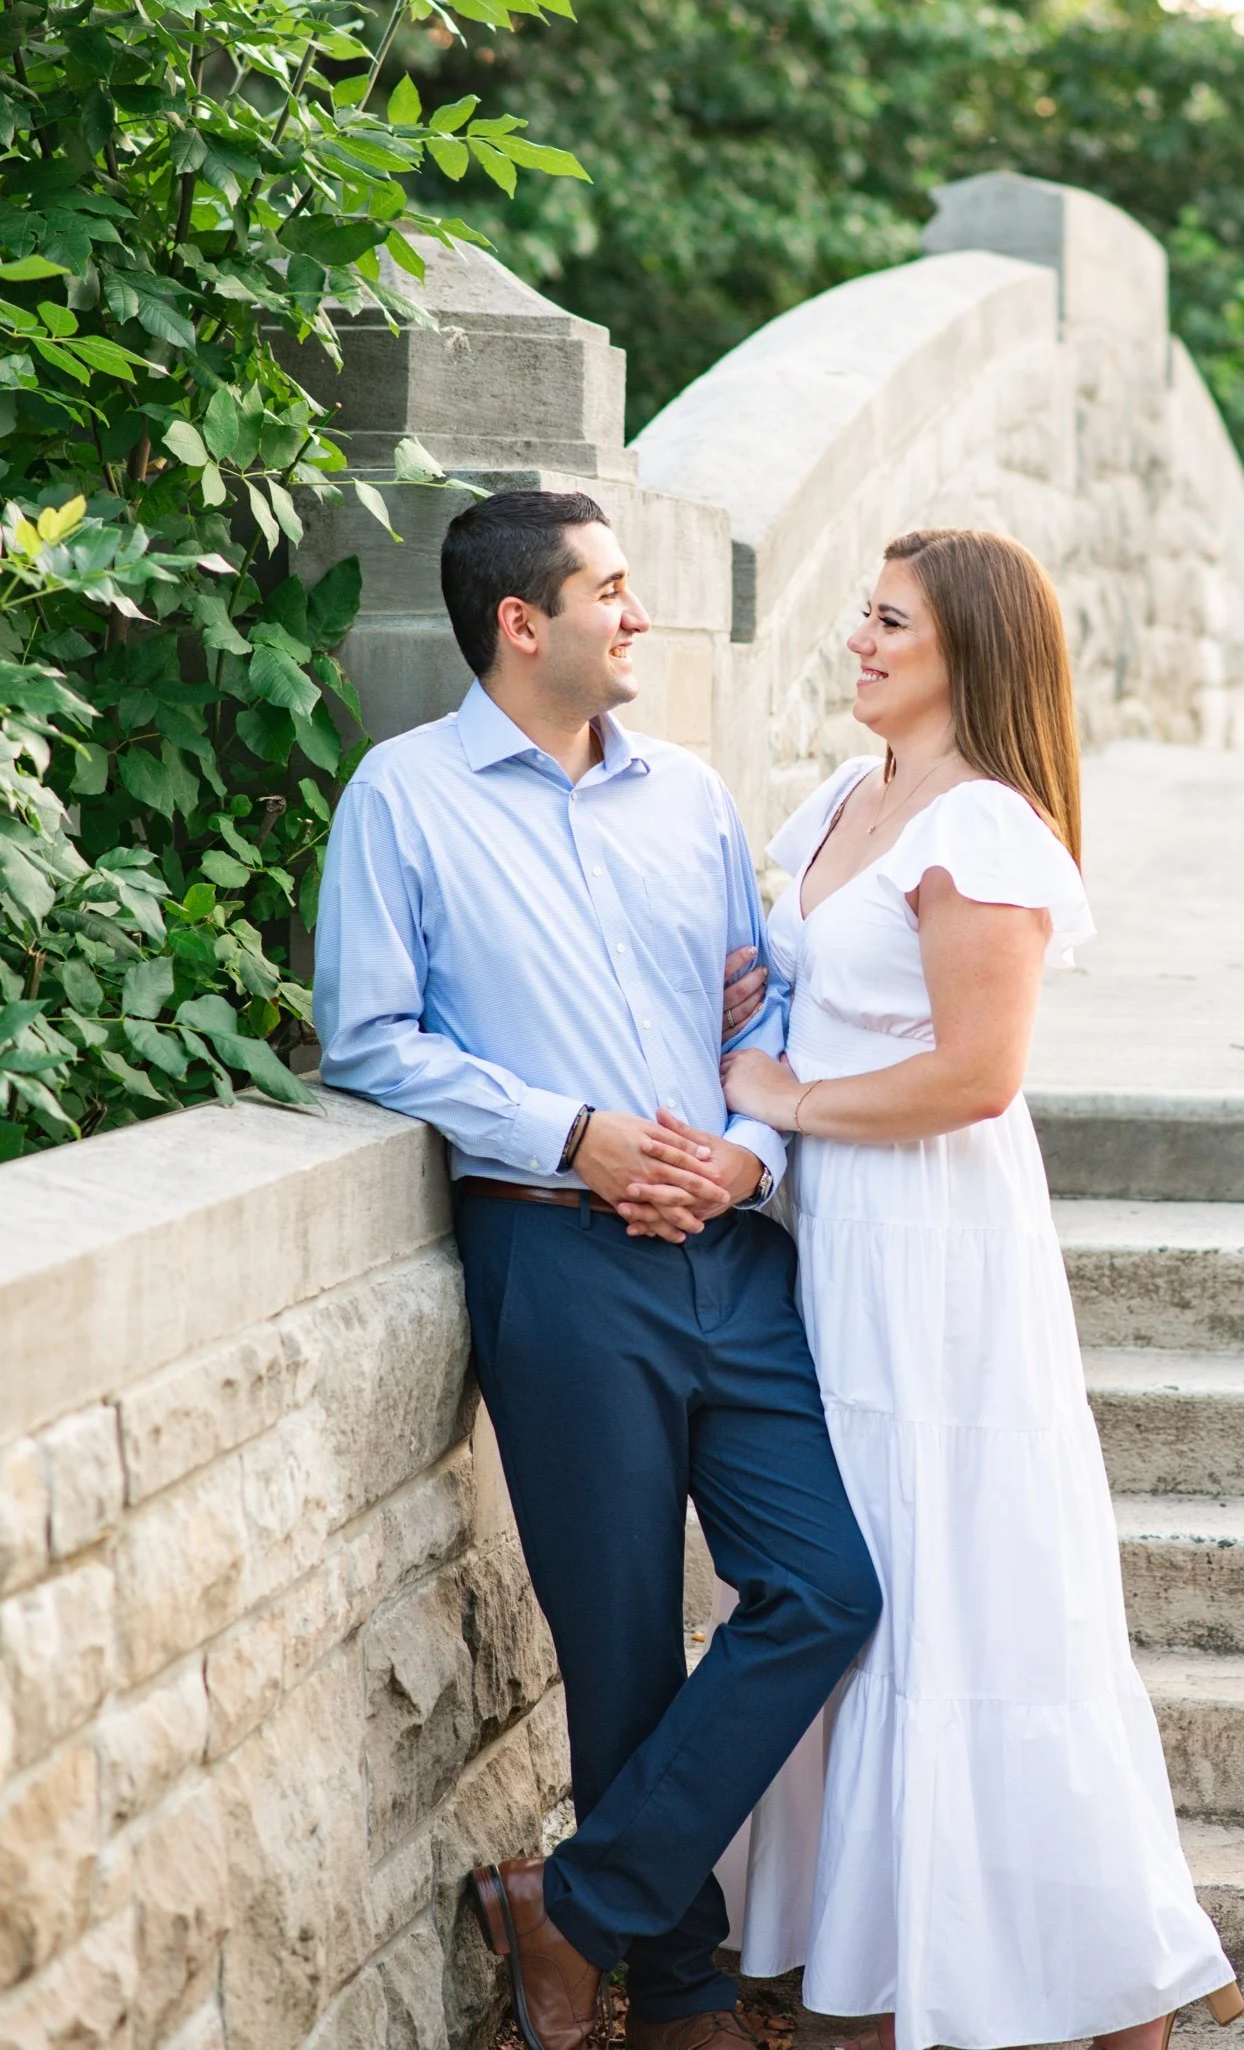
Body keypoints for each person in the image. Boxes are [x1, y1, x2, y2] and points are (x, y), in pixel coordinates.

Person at [313, 488, 881, 2050]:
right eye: (611, 591)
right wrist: (572, 1135)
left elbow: (756, 1010)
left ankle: (572, 1906)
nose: (636, 616)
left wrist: (745, 1154)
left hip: (730, 1256)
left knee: (830, 1587)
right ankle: (678, 1995)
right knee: (618, 1639)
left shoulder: (687, 795)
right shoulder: (404, 798)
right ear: (521, 622)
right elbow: (367, 1035)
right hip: (557, 1264)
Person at [719, 527, 1243, 2050]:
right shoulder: (839, 799)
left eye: (890, 623)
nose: (856, 641)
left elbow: (974, 1075)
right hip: (834, 1251)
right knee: (864, 1587)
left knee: (970, 1584)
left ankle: (1076, 1971)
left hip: (936, 1254)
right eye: (861, 614)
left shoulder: (984, 832)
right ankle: (875, 1951)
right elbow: (799, 995)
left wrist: (789, 1100)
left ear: (972, 653)